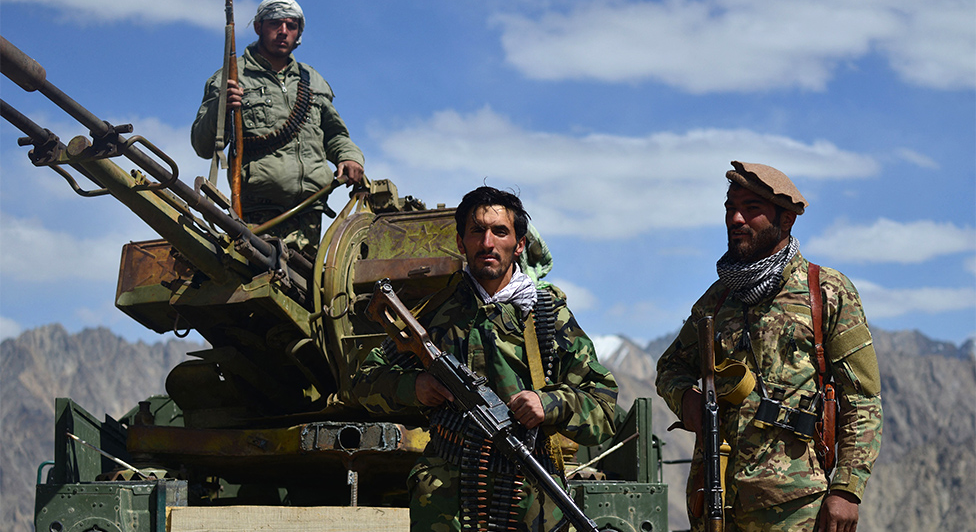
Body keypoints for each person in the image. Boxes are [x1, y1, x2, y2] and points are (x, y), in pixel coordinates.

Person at [353, 186, 618, 531]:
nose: (488, 242)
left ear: (519, 244)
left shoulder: (547, 317)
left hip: (527, 495)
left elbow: (604, 407)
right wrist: (415, 386)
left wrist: (548, 403)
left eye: (500, 231)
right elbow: (363, 382)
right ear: (462, 243)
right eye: (477, 231)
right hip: (445, 501)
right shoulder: (433, 315)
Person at [656, 161, 883, 532]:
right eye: (730, 208)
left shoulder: (826, 292)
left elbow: (861, 398)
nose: (736, 219)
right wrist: (686, 399)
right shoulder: (715, 302)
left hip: (795, 507)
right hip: (717, 503)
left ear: (787, 220)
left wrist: (847, 489)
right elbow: (670, 368)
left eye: (752, 209)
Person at [191, 0, 364, 255]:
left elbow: (334, 134)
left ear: (298, 33)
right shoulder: (231, 78)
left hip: (310, 211)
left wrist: (350, 156)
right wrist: (221, 108)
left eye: (291, 26)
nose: (284, 32)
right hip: (257, 215)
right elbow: (202, 146)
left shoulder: (311, 80)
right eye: (275, 24)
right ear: (259, 27)